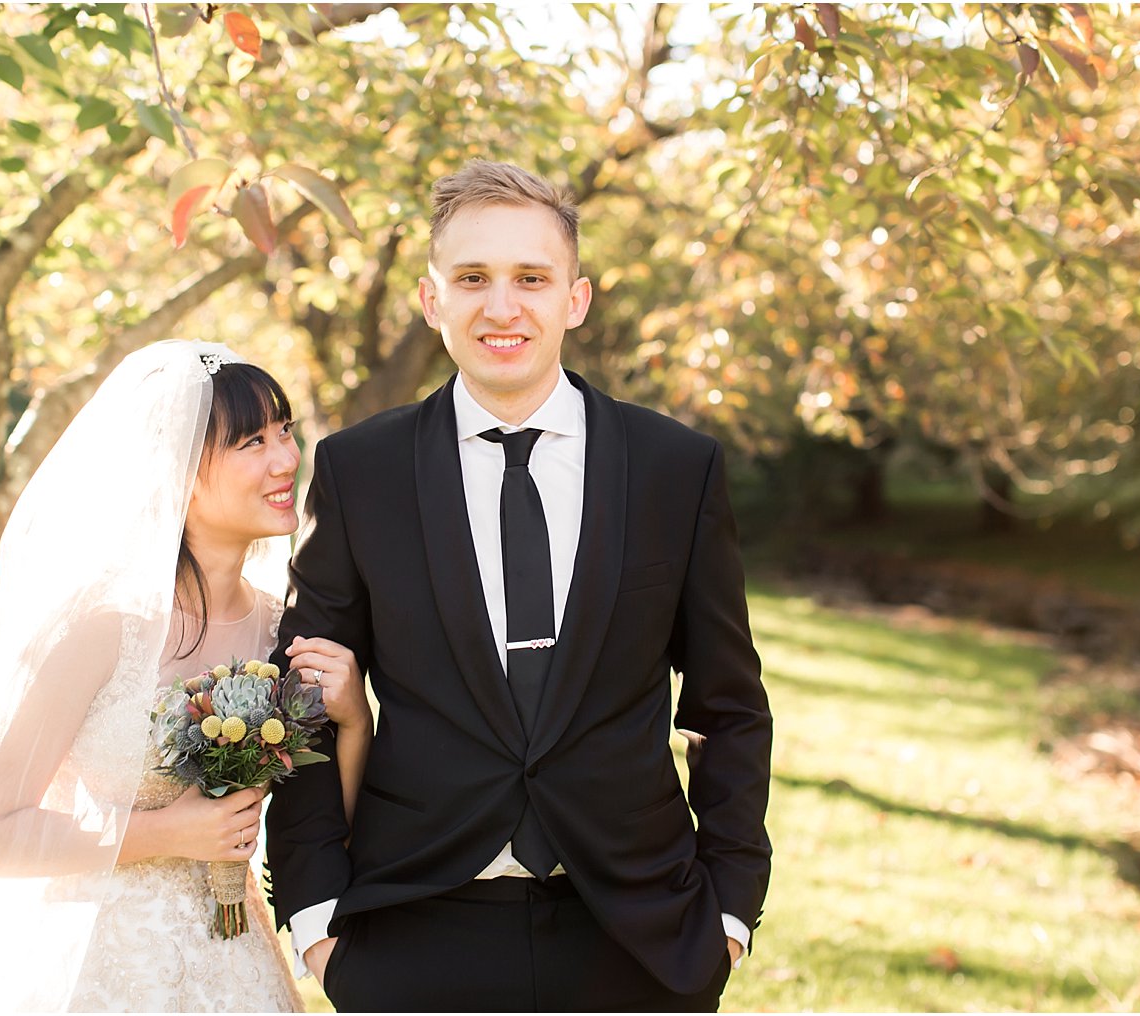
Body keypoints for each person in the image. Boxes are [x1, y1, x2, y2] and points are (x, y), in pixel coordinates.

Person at [266, 160, 772, 1011]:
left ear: (574, 298)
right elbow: (301, 697)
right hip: (413, 927)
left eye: (530, 278)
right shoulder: (361, 471)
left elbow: (727, 705)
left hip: (639, 932)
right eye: (473, 279)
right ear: (434, 303)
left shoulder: (674, 468)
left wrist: (729, 908)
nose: (502, 307)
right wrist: (316, 915)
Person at [0, 340, 371, 1012]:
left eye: (285, 432)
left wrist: (355, 718)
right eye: (252, 442)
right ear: (177, 470)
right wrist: (166, 834)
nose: (287, 460)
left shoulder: (282, 631)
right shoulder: (99, 630)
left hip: (236, 965)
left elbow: (329, 830)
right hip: (100, 969)